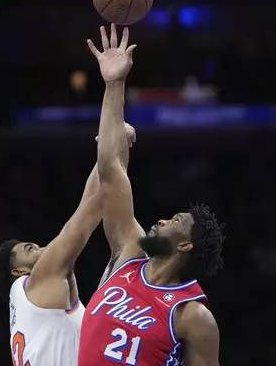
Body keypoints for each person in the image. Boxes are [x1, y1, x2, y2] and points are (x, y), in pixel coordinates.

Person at [79, 24, 225, 366]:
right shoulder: (130, 252)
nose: (162, 219)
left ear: (186, 245)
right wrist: (114, 83)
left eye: (176, 221)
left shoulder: (192, 316)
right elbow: (110, 171)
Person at [0, 124, 136, 366]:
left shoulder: (32, 309)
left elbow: (91, 202)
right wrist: (111, 150)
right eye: (30, 249)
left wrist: (107, 151)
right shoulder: (38, 280)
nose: (43, 248)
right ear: (18, 272)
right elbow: (98, 204)